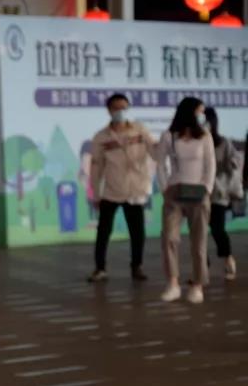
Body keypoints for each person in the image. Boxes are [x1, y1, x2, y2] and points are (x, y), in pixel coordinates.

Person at [87, 93, 156, 283]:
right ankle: (100, 268)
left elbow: (154, 150)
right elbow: (96, 167)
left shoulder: (139, 130)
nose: (121, 111)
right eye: (116, 108)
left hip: (135, 189)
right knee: (103, 231)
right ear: (109, 110)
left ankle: (137, 266)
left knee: (137, 231)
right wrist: (96, 193)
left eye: (124, 107)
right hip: (112, 190)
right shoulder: (101, 137)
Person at [155, 97, 216, 304]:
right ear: (189, 111)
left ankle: (197, 285)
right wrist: (165, 188)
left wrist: (207, 188)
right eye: (199, 111)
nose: (201, 115)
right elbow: (160, 164)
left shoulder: (205, 136)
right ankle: (173, 283)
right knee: (169, 238)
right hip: (175, 192)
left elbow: (210, 164)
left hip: (199, 193)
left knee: (198, 242)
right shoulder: (168, 135)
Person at [204, 107, 244, 281]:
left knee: (217, 229)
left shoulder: (224, 143)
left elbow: (235, 160)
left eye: (206, 120)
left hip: (218, 193)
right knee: (198, 232)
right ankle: (202, 265)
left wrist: (232, 164)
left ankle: (228, 258)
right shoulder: (195, 143)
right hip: (198, 193)